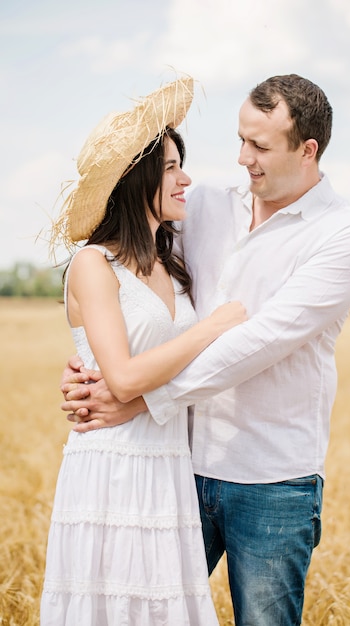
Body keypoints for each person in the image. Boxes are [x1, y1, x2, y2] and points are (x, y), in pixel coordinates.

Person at [60, 74, 350, 626]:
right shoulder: (203, 205)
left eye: (259, 146)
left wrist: (137, 397)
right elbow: (129, 284)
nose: (241, 158)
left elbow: (259, 343)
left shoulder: (344, 237)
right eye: (239, 139)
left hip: (271, 481)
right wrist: (91, 367)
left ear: (307, 151)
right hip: (175, 466)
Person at [40, 77, 247, 626]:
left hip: (167, 462)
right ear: (137, 179)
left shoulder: (169, 260)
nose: (187, 179)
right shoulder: (93, 264)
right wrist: (215, 326)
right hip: (112, 462)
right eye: (173, 166)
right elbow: (125, 378)